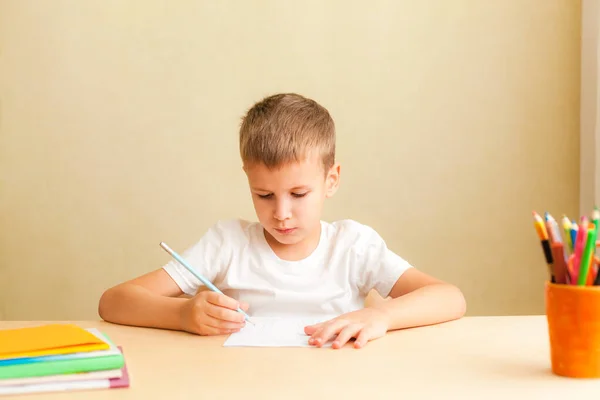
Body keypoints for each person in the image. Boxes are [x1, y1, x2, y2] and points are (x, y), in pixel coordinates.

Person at [98, 93, 466, 349]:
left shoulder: (353, 246)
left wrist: (380, 317)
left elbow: (449, 298)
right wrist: (182, 313)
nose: (281, 213)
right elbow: (114, 302)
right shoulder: (227, 243)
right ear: (248, 180)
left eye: (299, 194)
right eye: (264, 195)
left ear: (331, 180)